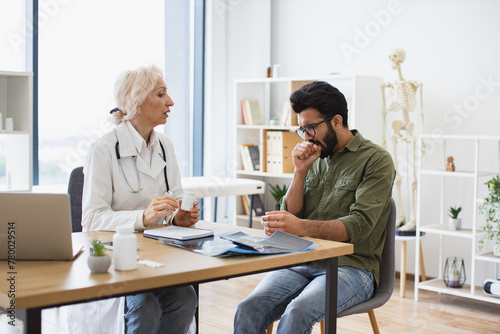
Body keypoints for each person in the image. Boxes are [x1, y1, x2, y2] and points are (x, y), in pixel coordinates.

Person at [234, 81, 396, 334]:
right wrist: (300, 171)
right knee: (248, 308)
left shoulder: (376, 160)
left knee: (298, 312)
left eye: (311, 127)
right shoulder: (314, 158)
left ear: (336, 121)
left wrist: (300, 227)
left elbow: (360, 224)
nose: (307, 136)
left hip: (352, 267)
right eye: (302, 129)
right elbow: (293, 213)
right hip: (303, 260)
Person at [68, 65, 199, 334]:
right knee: (145, 304)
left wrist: (178, 217)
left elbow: (173, 201)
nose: (170, 102)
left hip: (157, 255)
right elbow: (91, 220)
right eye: (161, 94)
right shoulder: (103, 149)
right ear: (138, 103)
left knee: (185, 297)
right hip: (116, 257)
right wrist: (142, 217)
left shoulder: (165, 146)